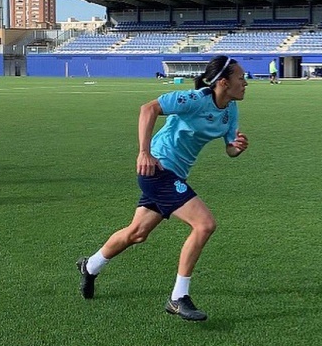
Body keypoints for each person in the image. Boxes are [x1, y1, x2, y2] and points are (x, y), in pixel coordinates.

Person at [76, 55, 249, 321]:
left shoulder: (230, 110)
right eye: (241, 78)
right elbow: (148, 109)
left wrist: (235, 148)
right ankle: (178, 298)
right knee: (204, 224)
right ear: (223, 82)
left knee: (137, 233)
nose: (245, 83)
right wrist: (144, 152)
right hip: (156, 170)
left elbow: (229, 148)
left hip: (175, 175)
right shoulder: (193, 100)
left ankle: (90, 266)